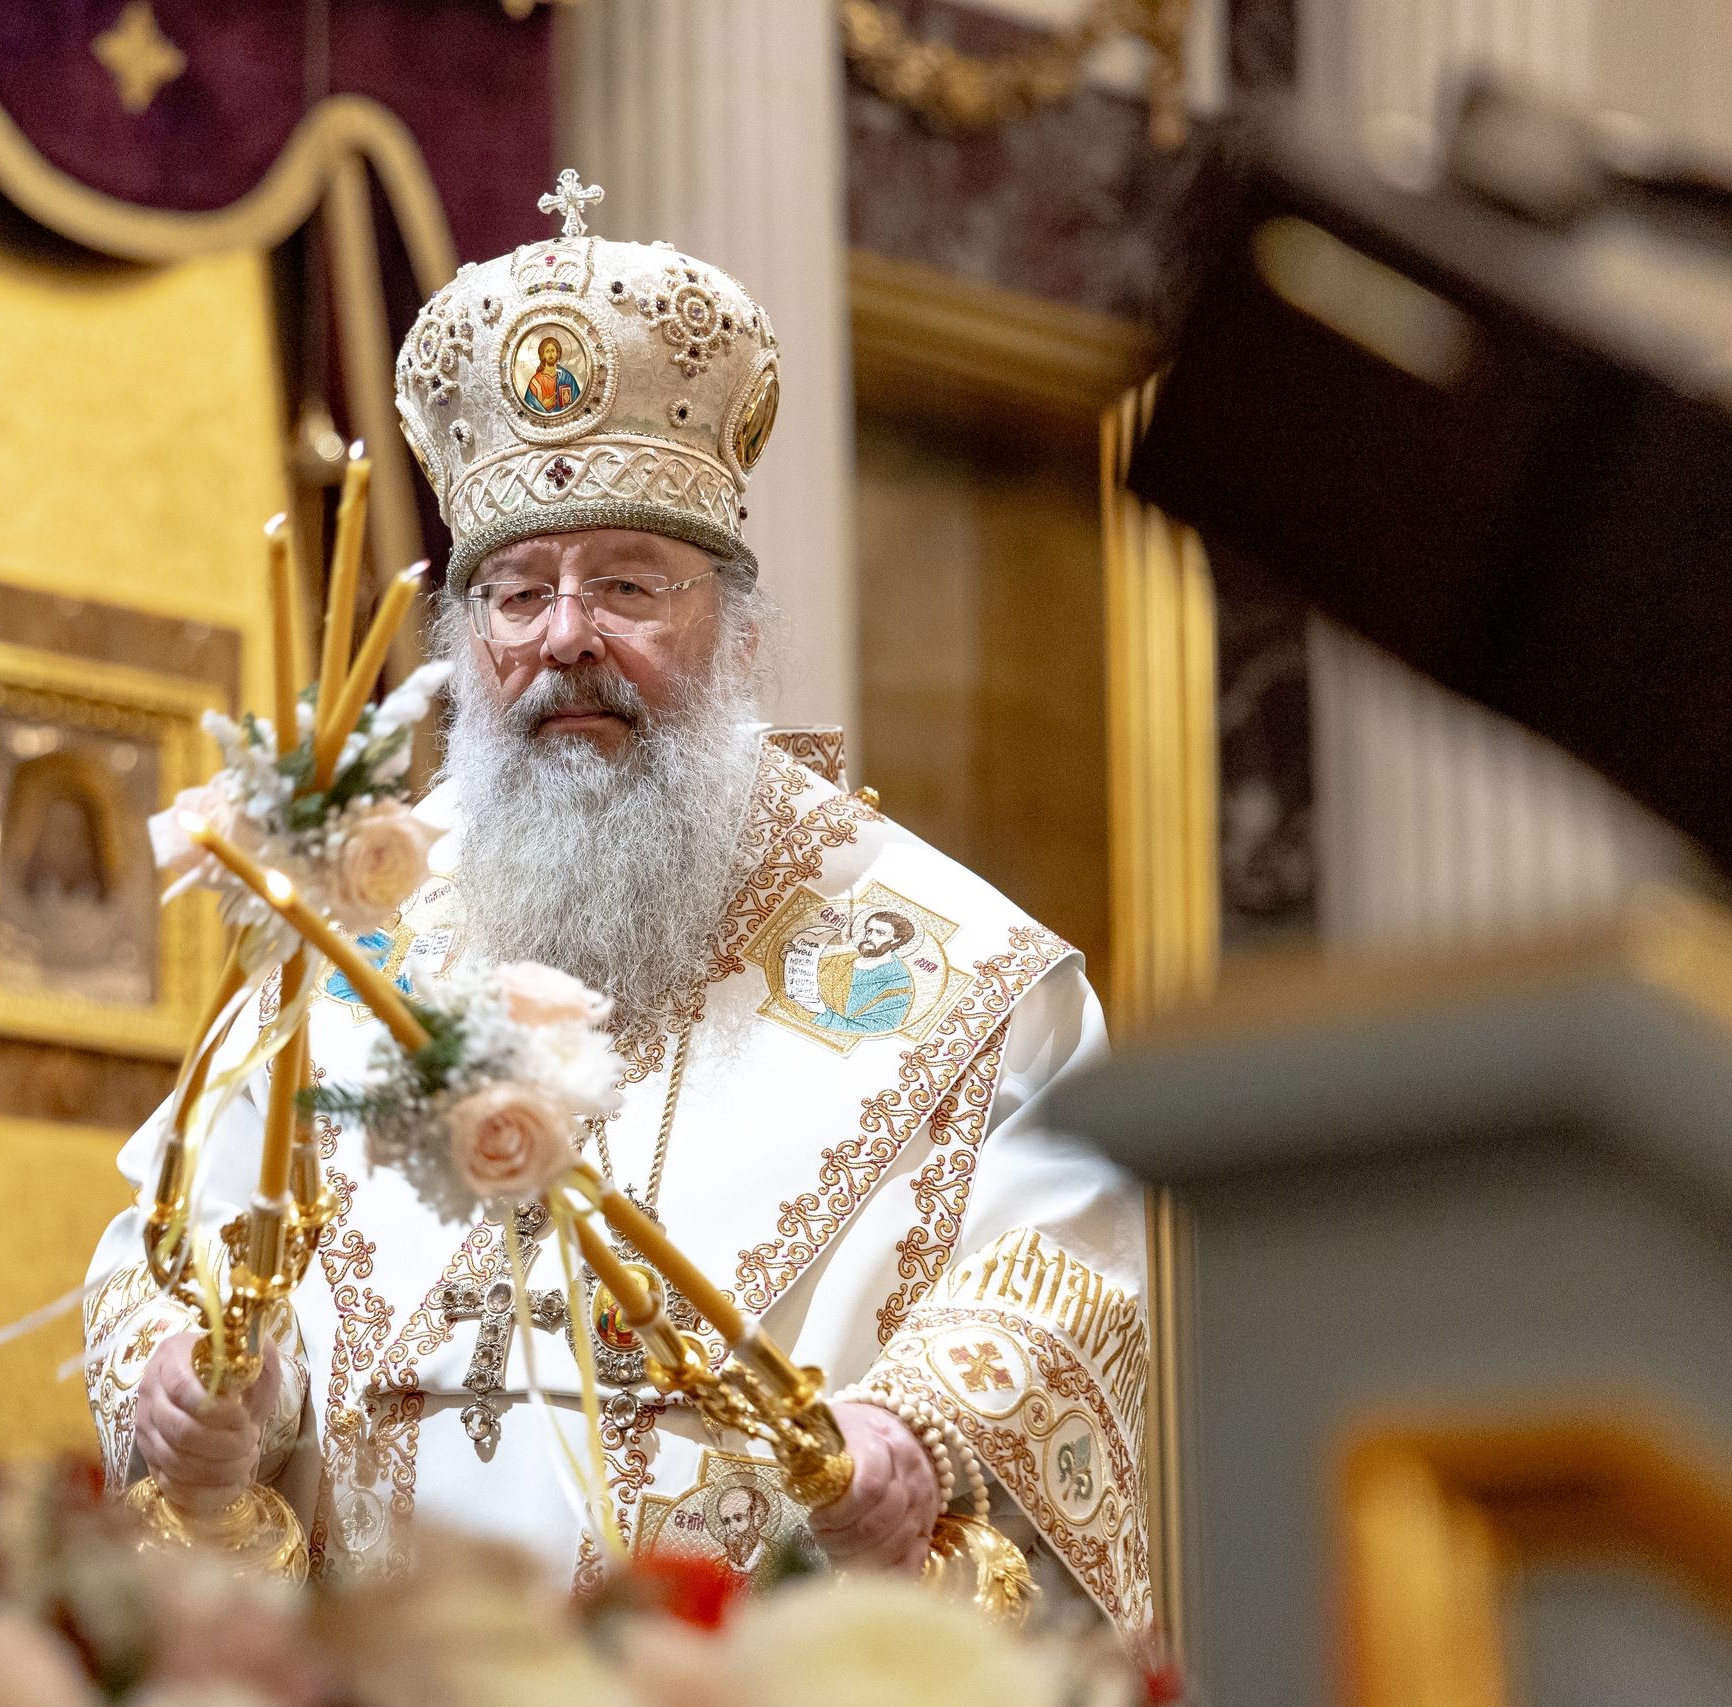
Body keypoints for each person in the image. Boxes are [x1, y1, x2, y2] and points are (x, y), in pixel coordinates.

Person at [83, 174, 1151, 1644]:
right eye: (517, 593)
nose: (567, 636)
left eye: (631, 586)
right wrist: (189, 1390)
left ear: (737, 626)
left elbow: (1062, 1269)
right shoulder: (344, 932)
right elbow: (167, 1257)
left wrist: (913, 1436)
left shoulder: (963, 975)